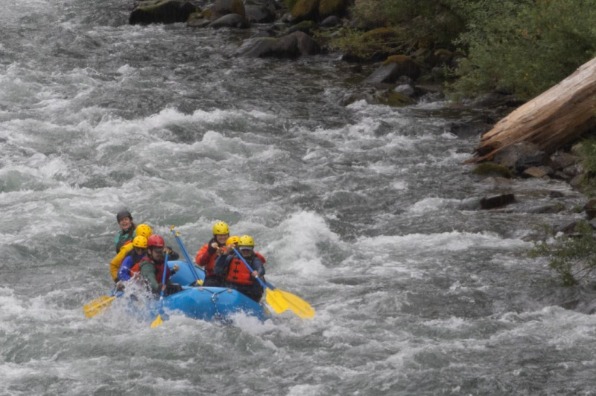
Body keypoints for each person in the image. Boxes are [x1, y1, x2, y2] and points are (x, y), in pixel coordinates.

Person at [215, 234, 265, 302]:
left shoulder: (254, 260)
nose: (245, 252)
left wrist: (258, 273)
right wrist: (224, 255)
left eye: (248, 250)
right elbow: (217, 269)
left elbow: (261, 268)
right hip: (231, 287)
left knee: (259, 282)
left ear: (252, 249)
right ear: (239, 248)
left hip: (248, 291)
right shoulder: (231, 257)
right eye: (243, 249)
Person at [195, 221, 230, 286]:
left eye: (225, 235)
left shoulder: (231, 247)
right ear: (215, 236)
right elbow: (200, 262)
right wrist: (210, 251)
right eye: (220, 235)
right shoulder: (208, 247)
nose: (223, 237)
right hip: (212, 278)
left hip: (228, 278)